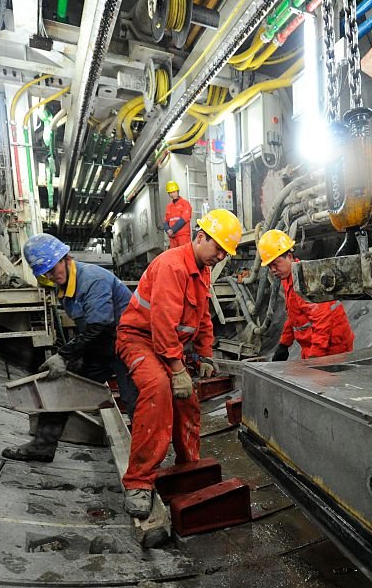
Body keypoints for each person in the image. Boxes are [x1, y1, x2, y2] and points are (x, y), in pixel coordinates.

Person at [116, 209, 242, 518]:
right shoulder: (172, 266)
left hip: (168, 344)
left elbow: (201, 318)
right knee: (159, 390)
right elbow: (161, 324)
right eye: (218, 248)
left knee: (188, 402)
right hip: (139, 338)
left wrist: (205, 354)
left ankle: (189, 467)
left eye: (226, 251)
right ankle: (139, 482)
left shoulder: (203, 269)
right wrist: (176, 369)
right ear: (201, 237)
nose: (221, 256)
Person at [3, 233, 137, 462]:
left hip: (129, 347)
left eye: (53, 270)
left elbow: (99, 327)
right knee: (62, 386)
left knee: (136, 399)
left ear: (66, 258)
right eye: (46, 273)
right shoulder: (66, 287)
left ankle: (145, 458)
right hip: (101, 348)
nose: (52, 277)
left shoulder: (93, 279)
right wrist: (69, 360)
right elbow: (91, 333)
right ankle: (42, 446)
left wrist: (64, 355)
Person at [257, 229, 355, 361]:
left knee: (324, 380)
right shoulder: (288, 279)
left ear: (290, 257)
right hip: (312, 343)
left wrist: (314, 358)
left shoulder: (307, 279)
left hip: (333, 346)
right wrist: (284, 344)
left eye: (275, 264)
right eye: (269, 266)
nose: (273, 270)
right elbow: (294, 316)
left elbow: (322, 322)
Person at [162, 180, 192, 249]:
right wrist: (168, 230)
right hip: (173, 238)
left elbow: (184, 219)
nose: (173, 194)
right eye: (171, 193)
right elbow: (166, 221)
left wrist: (172, 230)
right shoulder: (169, 206)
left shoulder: (185, 203)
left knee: (185, 254)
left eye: (174, 192)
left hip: (183, 236)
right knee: (175, 257)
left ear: (178, 191)